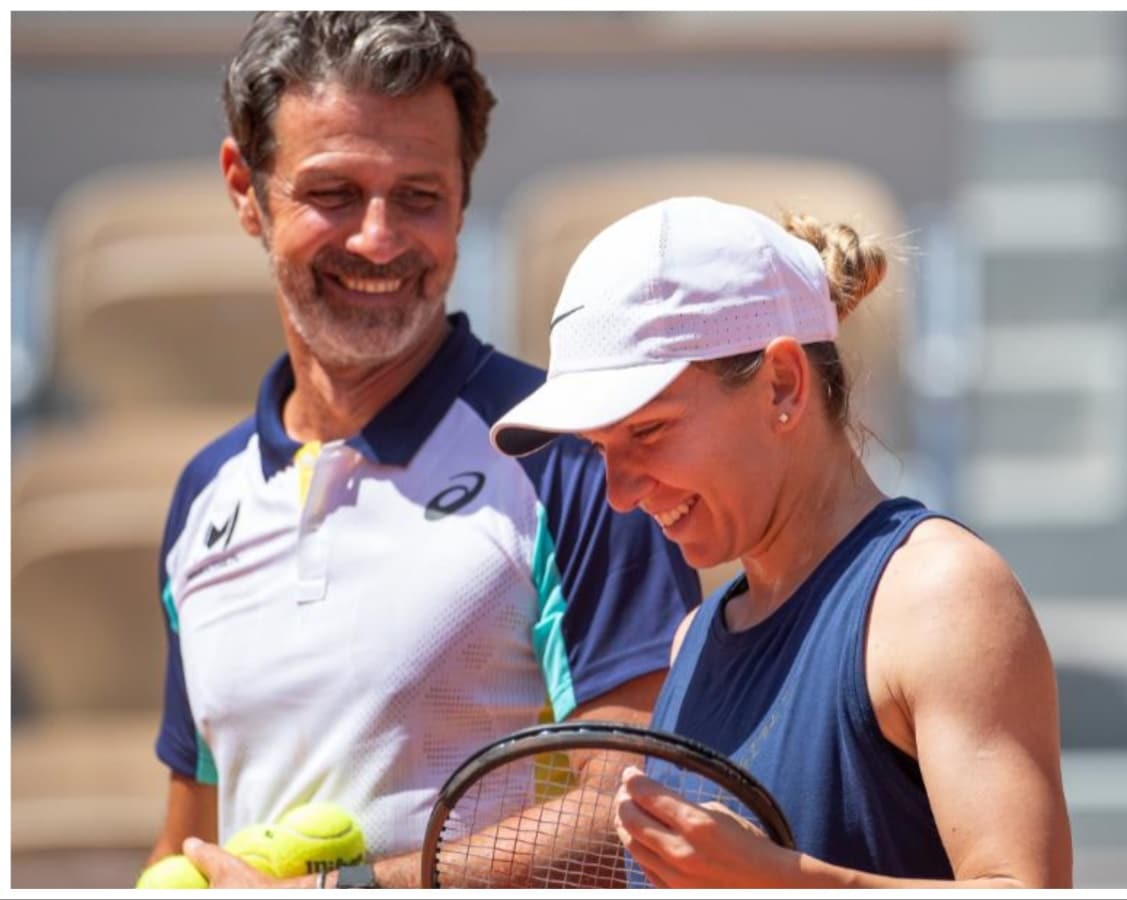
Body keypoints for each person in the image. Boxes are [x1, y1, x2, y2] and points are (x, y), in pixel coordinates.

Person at [148, 12, 700, 889]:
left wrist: (354, 891)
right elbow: (191, 840)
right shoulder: (202, 496)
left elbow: (640, 813)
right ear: (244, 190)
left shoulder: (570, 454)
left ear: (463, 201)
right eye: (333, 193)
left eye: (419, 196)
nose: (379, 238)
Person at [490, 196, 1074, 888]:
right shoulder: (693, 641)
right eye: (598, 448)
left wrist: (781, 883)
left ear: (784, 385)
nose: (619, 492)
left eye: (648, 431)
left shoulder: (943, 597)